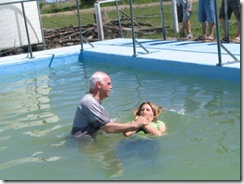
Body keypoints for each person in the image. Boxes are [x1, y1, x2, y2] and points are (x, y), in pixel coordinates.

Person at [71, 71, 149, 138]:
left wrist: (128, 124)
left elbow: (104, 125)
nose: (111, 87)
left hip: (90, 138)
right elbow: (107, 128)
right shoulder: (89, 102)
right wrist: (135, 124)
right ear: (99, 85)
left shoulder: (93, 101)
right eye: (108, 84)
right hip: (84, 142)